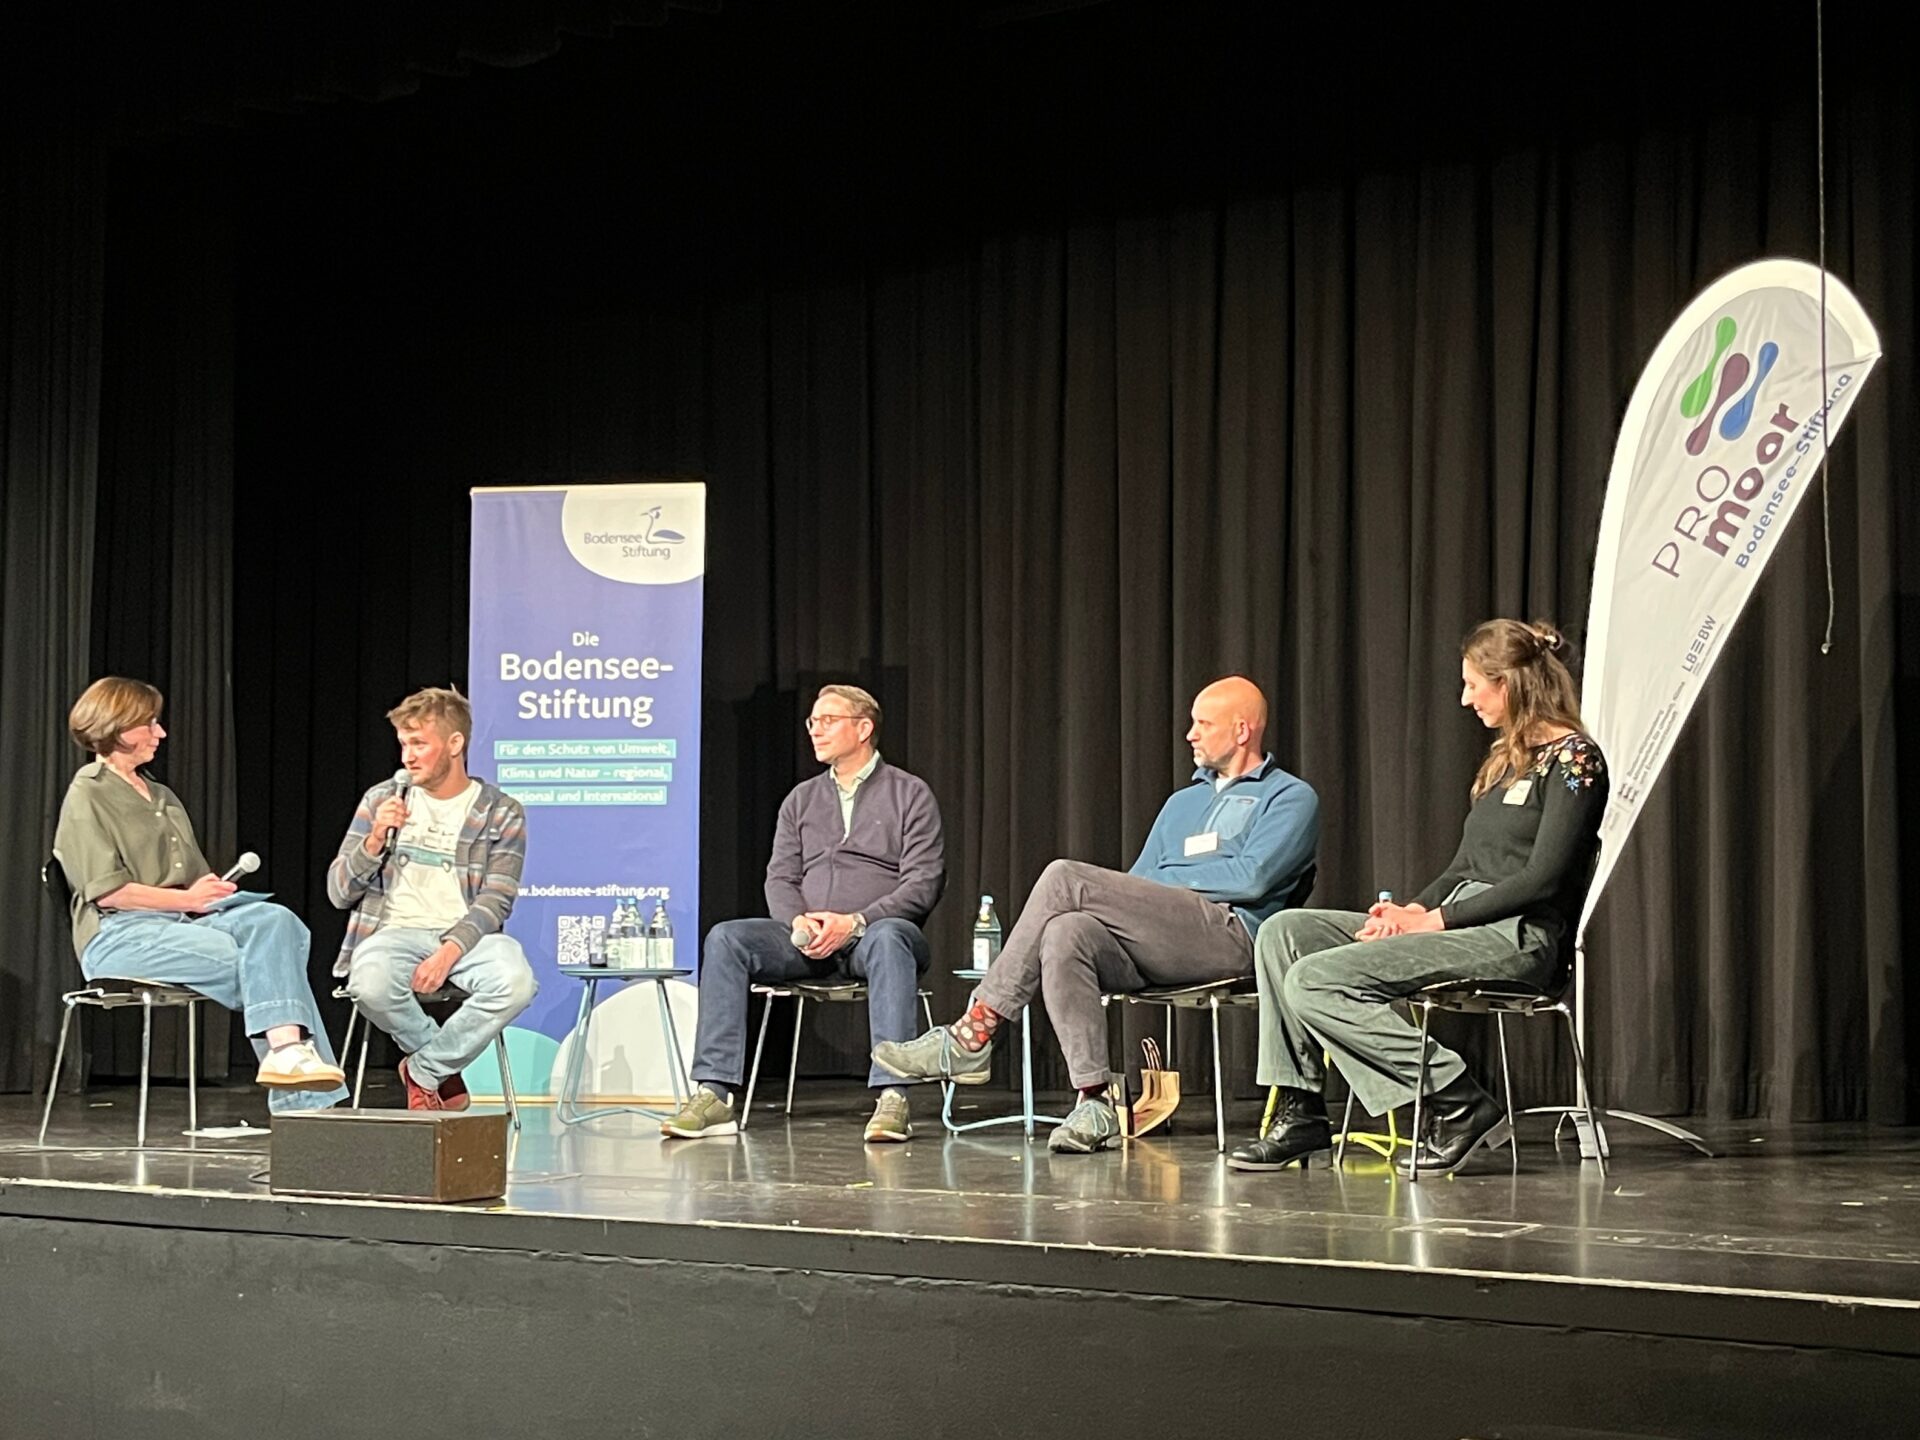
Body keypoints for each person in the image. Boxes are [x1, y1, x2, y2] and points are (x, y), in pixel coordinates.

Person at [873, 677, 1319, 1154]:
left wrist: (1167, 880)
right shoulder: (1181, 803)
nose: (1190, 734)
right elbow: (1138, 883)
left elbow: (1251, 878)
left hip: (1230, 939)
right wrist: (1163, 882)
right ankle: (1093, 1102)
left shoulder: (1289, 797)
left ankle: (975, 1031)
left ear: (1242, 730)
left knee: (1065, 878)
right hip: (1161, 944)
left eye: (1203, 724)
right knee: (1068, 931)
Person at [1230, 619, 1609, 1178]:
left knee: (1315, 980)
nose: (1465, 698)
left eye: (1473, 684)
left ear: (1506, 683)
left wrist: (1435, 920)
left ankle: (1456, 1099)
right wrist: (1408, 913)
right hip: (1459, 922)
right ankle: (1300, 1110)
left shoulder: (1577, 761)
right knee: (1285, 933)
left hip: (1518, 935)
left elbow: (1543, 880)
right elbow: (1464, 867)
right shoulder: (1505, 762)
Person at [664, 684, 946, 1144]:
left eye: (828, 720)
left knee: (892, 936)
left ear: (864, 728)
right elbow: (780, 877)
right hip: (807, 938)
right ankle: (714, 1092)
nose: (815, 730)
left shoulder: (909, 794)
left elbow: (922, 884)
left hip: (875, 936)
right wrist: (799, 921)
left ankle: (893, 1096)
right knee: (726, 938)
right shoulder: (801, 799)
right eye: (812, 722)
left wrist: (854, 921)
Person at [52, 677, 348, 1109]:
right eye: (149, 724)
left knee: (278, 922)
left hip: (183, 923)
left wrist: (204, 890)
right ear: (117, 727)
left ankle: (288, 1057)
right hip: (120, 935)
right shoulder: (88, 793)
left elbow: (188, 880)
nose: (161, 733)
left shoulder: (162, 796)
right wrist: (187, 900)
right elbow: (109, 893)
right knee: (266, 966)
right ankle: (303, 1098)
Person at [328, 686, 536, 1111]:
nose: (408, 756)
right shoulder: (382, 800)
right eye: (404, 744)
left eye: (419, 743)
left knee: (516, 981)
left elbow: (496, 899)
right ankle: (440, 1064)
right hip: (394, 933)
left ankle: (423, 1070)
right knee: (368, 984)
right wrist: (372, 842)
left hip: (467, 938)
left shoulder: (501, 811)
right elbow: (338, 892)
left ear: (455, 744)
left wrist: (447, 952)